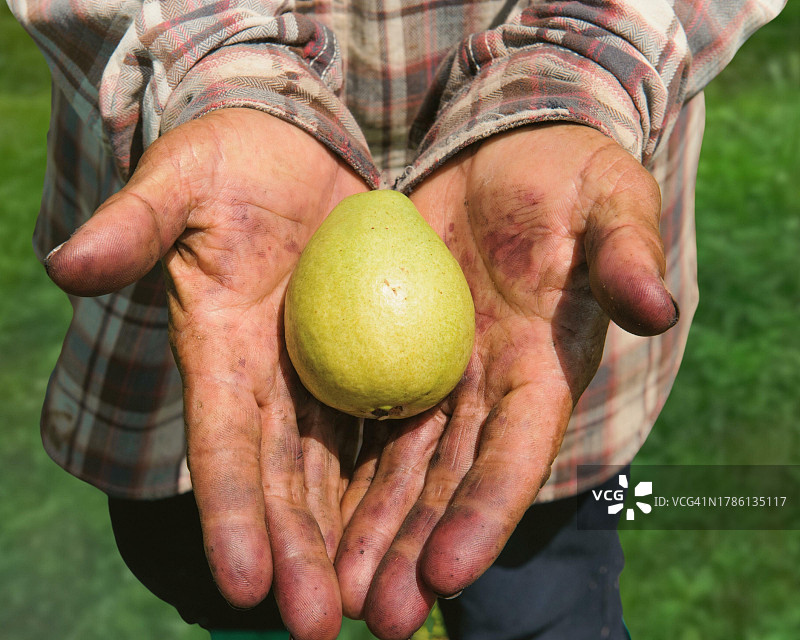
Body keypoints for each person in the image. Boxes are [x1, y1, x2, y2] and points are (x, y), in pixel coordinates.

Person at [9, 1, 785, 639]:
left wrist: (583, 63)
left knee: (542, 603)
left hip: (545, 306)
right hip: (208, 328)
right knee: (237, 584)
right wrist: (218, 68)